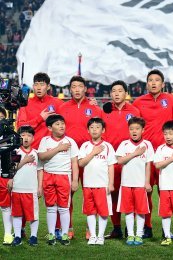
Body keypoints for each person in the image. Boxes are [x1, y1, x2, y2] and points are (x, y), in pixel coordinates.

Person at [133, 70, 173, 239]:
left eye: (157, 80)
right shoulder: (138, 102)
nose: (153, 83)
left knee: (166, 193)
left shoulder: (172, 100)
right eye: (150, 80)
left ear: (162, 83)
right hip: (145, 155)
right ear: (146, 84)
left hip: (166, 155)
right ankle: (147, 226)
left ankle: (167, 229)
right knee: (146, 192)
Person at [57, 75, 102, 240]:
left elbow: (102, 130)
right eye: (73, 86)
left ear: (85, 89)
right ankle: (67, 227)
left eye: (79, 86)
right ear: (70, 89)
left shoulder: (95, 109)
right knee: (67, 194)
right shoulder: (62, 108)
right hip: (68, 158)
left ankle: (91, 229)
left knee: (92, 194)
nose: (77, 89)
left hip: (90, 157)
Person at [102, 80, 140, 239]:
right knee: (113, 193)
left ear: (126, 93)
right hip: (111, 160)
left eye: (120, 90)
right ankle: (117, 227)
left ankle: (132, 228)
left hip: (129, 160)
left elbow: (138, 132)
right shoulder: (105, 111)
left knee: (132, 193)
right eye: (114, 91)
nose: (116, 94)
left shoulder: (134, 110)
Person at [37, 114, 79, 245]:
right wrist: (58, 148)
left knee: (64, 208)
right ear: (50, 128)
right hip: (48, 176)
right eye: (57, 124)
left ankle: (65, 235)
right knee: (50, 207)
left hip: (64, 176)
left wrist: (75, 180)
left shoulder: (71, 141)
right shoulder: (45, 141)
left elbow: (74, 163)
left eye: (62, 123)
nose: (61, 126)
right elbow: (42, 156)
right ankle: (51, 234)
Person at [115, 117, 154, 246]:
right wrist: (135, 153)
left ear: (143, 130)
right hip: (126, 183)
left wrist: (147, 182)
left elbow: (148, 165)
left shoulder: (148, 145)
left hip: (140, 184)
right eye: (131, 129)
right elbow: (119, 161)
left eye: (137, 129)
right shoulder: (124, 144)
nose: (134, 131)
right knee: (128, 210)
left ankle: (139, 235)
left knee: (141, 210)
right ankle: (131, 235)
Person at [78, 118, 116, 246]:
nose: (94, 130)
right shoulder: (85, 146)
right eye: (92, 127)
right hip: (88, 184)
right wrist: (93, 153)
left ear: (103, 130)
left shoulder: (108, 147)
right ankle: (93, 236)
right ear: (88, 130)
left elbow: (111, 166)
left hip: (102, 185)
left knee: (103, 211)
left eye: (97, 127)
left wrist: (110, 184)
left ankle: (100, 236)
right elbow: (81, 163)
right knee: (91, 211)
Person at [9, 126, 40, 246]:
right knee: (16, 214)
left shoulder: (36, 153)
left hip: (31, 189)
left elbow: (39, 171)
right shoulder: (15, 152)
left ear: (33, 138)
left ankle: (33, 236)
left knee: (33, 215)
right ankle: (17, 236)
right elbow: (12, 168)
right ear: (19, 137)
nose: (25, 138)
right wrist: (25, 160)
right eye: (23, 135)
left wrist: (40, 187)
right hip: (17, 188)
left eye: (29, 135)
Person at [17, 72, 64, 149]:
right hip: (32, 151)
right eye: (36, 84)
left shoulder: (58, 103)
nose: (38, 88)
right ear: (33, 86)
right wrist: (40, 118)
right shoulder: (25, 104)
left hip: (53, 150)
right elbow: (20, 127)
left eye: (42, 84)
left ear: (48, 86)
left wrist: (90, 102)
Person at [0, 107, 13, 245]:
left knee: (5, 206)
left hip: (3, 174)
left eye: (1, 118)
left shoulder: (10, 136)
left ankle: (8, 234)